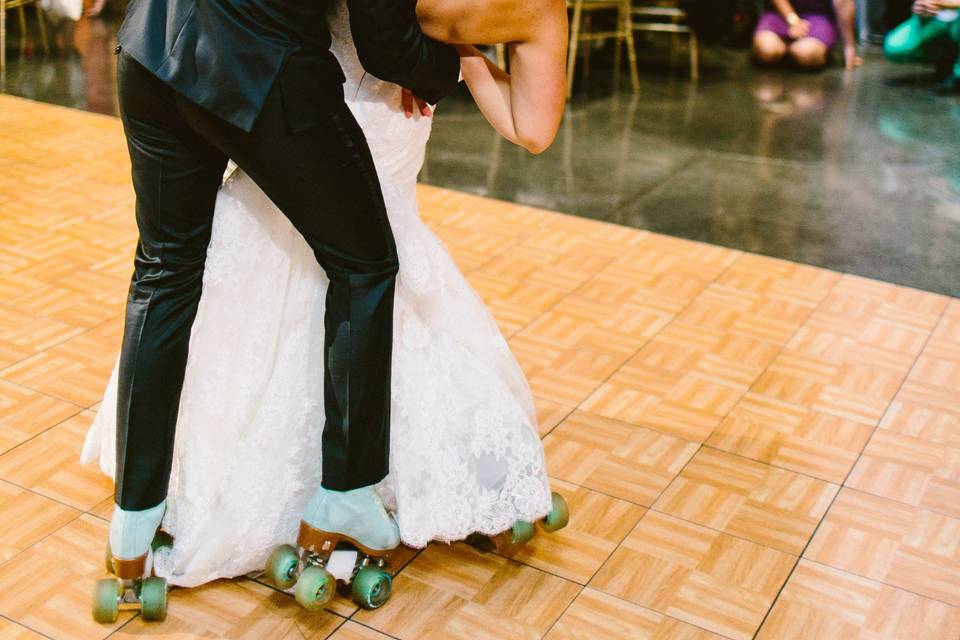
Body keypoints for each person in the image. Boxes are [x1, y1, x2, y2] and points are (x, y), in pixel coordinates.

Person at [83, 0, 568, 619]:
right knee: (366, 265)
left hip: (150, 44)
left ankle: (134, 518)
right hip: (258, 61)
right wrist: (442, 71)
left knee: (163, 273)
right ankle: (347, 493)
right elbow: (385, 40)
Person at [753, 0, 861, 70]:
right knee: (767, 50)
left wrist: (849, 46)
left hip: (818, 15)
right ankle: (786, 49)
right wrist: (792, 20)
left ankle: (798, 50)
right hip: (780, 13)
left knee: (806, 53)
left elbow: (843, 3)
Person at [884, 0, 960, 93]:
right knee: (895, 48)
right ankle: (947, 59)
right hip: (935, 18)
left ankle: (958, 74)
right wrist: (920, 6)